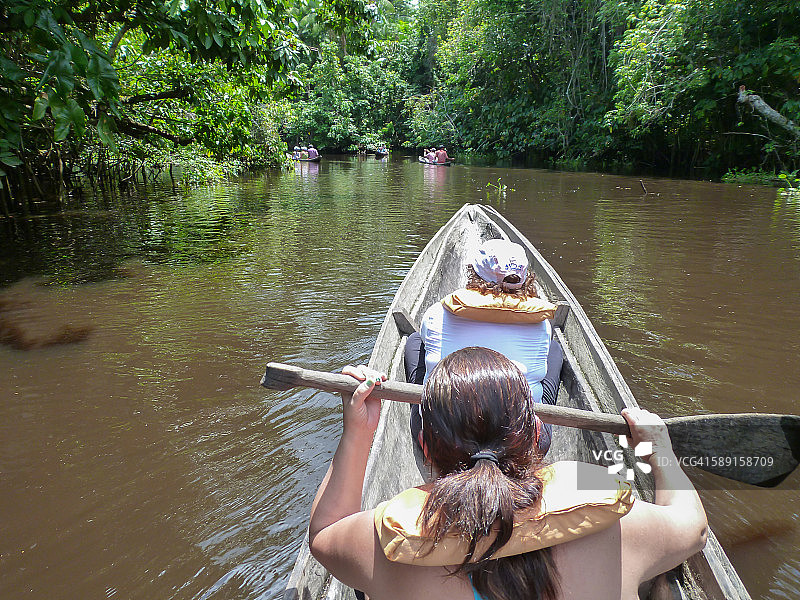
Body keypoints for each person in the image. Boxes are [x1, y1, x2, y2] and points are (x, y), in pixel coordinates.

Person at [309, 347, 709, 600]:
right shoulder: (605, 504)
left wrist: (358, 432)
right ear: (537, 436)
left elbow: (325, 533)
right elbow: (693, 528)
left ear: (425, 447)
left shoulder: (384, 542)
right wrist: (660, 451)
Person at [405, 238, 562, 454]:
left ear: (474, 275)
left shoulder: (435, 314)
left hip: (445, 446)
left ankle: (420, 414)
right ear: (524, 279)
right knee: (553, 350)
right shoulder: (541, 325)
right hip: (521, 448)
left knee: (415, 342)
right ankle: (542, 417)